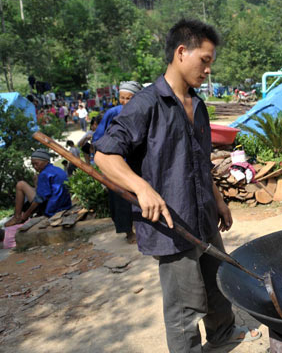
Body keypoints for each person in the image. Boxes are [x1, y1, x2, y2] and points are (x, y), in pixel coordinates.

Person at [94, 19, 260, 353]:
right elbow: (104, 155)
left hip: (202, 213)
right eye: (205, 60)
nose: (208, 70)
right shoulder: (146, 104)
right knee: (185, 305)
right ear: (182, 52)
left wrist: (219, 200)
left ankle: (223, 335)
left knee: (217, 283)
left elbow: (200, 158)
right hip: (172, 223)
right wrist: (141, 187)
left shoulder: (197, 105)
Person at [92, 80, 143, 244]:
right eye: (122, 98)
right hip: (118, 163)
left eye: (129, 98)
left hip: (138, 162)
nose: (125, 102)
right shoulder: (113, 113)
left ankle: (144, 229)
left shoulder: (143, 111)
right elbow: (99, 137)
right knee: (120, 199)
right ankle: (128, 231)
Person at [5, 149, 72, 227]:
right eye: (33, 165)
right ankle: (17, 216)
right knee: (32, 188)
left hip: (53, 208)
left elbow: (39, 200)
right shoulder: (57, 169)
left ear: (46, 161)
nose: (35, 167)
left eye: (36, 164)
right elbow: (45, 191)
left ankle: (16, 217)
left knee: (20, 184)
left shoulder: (44, 174)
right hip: (65, 204)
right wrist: (36, 182)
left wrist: (25, 216)